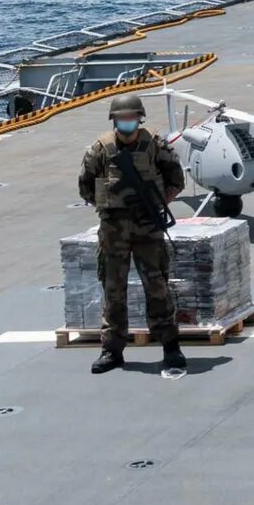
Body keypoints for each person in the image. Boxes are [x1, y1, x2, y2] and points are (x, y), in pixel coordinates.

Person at [76, 93, 186, 375]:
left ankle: (170, 346)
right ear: (115, 121)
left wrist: (157, 204)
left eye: (132, 118)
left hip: (148, 229)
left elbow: (176, 178)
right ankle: (112, 350)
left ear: (140, 118)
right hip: (114, 231)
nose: (127, 123)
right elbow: (86, 187)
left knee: (157, 286)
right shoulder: (100, 149)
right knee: (113, 290)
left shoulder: (154, 144)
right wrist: (110, 207)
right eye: (122, 119)